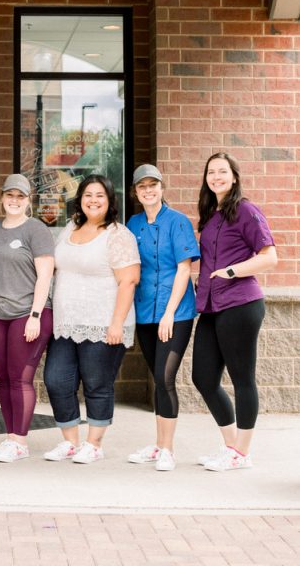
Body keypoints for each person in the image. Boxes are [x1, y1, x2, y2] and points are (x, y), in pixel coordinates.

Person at [43, 174, 140, 464]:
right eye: (88, 195)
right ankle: (71, 442)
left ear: (110, 201)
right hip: (66, 323)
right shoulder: (70, 229)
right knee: (57, 380)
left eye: (100, 195)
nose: (93, 200)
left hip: (103, 323)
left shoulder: (118, 235)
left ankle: (94, 444)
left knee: (97, 383)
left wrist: (116, 323)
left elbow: (129, 281)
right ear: (80, 199)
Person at [191, 152, 277, 471]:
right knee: (202, 377)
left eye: (222, 172)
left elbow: (269, 257)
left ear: (234, 176)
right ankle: (231, 447)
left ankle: (242, 452)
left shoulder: (246, 210)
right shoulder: (211, 214)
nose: (216, 177)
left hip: (241, 303)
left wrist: (231, 272)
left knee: (242, 378)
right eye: (211, 172)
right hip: (212, 307)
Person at [125, 164, 200, 472]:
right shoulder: (133, 223)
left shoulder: (178, 222)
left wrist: (169, 313)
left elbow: (185, 268)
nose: (148, 191)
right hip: (145, 313)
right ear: (136, 192)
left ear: (161, 187)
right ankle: (158, 445)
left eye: (153, 185)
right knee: (158, 378)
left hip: (176, 313)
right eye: (142, 187)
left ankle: (167, 449)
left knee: (166, 378)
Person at [0, 173, 55, 463]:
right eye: (10, 195)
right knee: (3, 378)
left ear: (28, 200)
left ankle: (20, 441)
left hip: (28, 314)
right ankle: (10, 437)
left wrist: (35, 315)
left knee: (21, 378)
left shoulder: (36, 230)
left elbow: (45, 274)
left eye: (20, 196)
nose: (14, 201)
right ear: (2, 197)